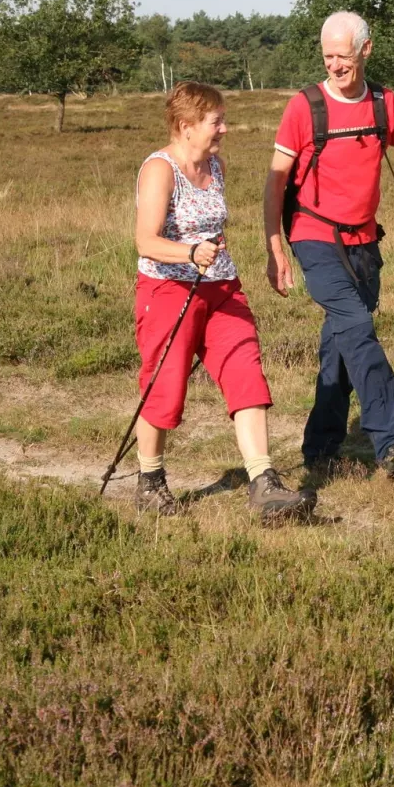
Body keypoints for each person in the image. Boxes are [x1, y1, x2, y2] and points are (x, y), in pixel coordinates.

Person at [262, 11, 394, 481]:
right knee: (356, 326)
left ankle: (321, 447)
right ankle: (393, 440)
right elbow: (275, 183)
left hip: (364, 241)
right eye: (327, 56)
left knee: (341, 345)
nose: (334, 65)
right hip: (313, 234)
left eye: (343, 56)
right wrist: (275, 243)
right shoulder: (304, 106)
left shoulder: (383, 104)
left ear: (366, 50)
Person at [132, 80, 314, 522]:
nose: (224, 129)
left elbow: (213, 224)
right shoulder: (159, 169)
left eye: (223, 120)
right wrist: (190, 253)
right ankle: (150, 481)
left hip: (222, 287)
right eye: (216, 121)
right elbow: (145, 241)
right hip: (168, 291)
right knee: (165, 387)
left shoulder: (216, 165)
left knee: (245, 371)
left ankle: (263, 482)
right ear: (186, 126)